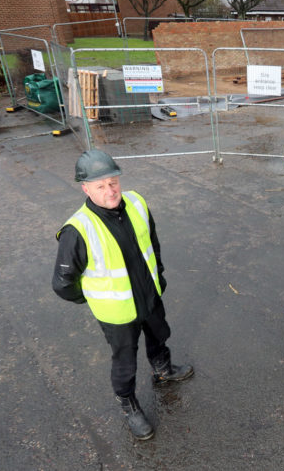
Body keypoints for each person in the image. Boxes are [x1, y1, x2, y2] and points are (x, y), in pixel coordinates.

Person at [52, 149, 193, 441]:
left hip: (149, 296)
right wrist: (91, 298)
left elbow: (152, 243)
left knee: (158, 335)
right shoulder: (77, 230)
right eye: (100, 186)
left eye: (113, 182)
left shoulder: (137, 203)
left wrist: (159, 277)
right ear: (85, 188)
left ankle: (163, 369)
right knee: (125, 361)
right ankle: (129, 405)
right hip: (116, 312)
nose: (110, 190)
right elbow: (62, 283)